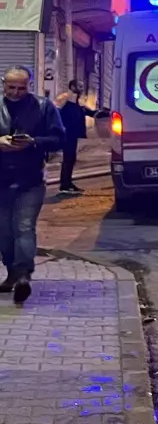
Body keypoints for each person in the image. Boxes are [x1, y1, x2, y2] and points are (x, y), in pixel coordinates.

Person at [0, 67, 65, 303]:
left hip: (30, 179)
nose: (16, 92)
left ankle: (23, 275)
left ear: (29, 85)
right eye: (11, 87)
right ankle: (12, 273)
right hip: (1, 180)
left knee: (24, 227)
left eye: (22, 87)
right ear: (3, 84)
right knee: (4, 232)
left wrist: (33, 142)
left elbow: (59, 138)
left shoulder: (43, 106)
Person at [55, 79, 88, 194]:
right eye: (80, 86)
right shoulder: (65, 97)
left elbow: (86, 111)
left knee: (71, 158)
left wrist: (101, 113)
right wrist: (60, 128)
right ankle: (65, 185)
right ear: (73, 87)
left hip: (73, 134)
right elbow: (56, 112)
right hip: (67, 134)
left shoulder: (77, 100)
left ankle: (68, 183)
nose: (82, 88)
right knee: (68, 159)